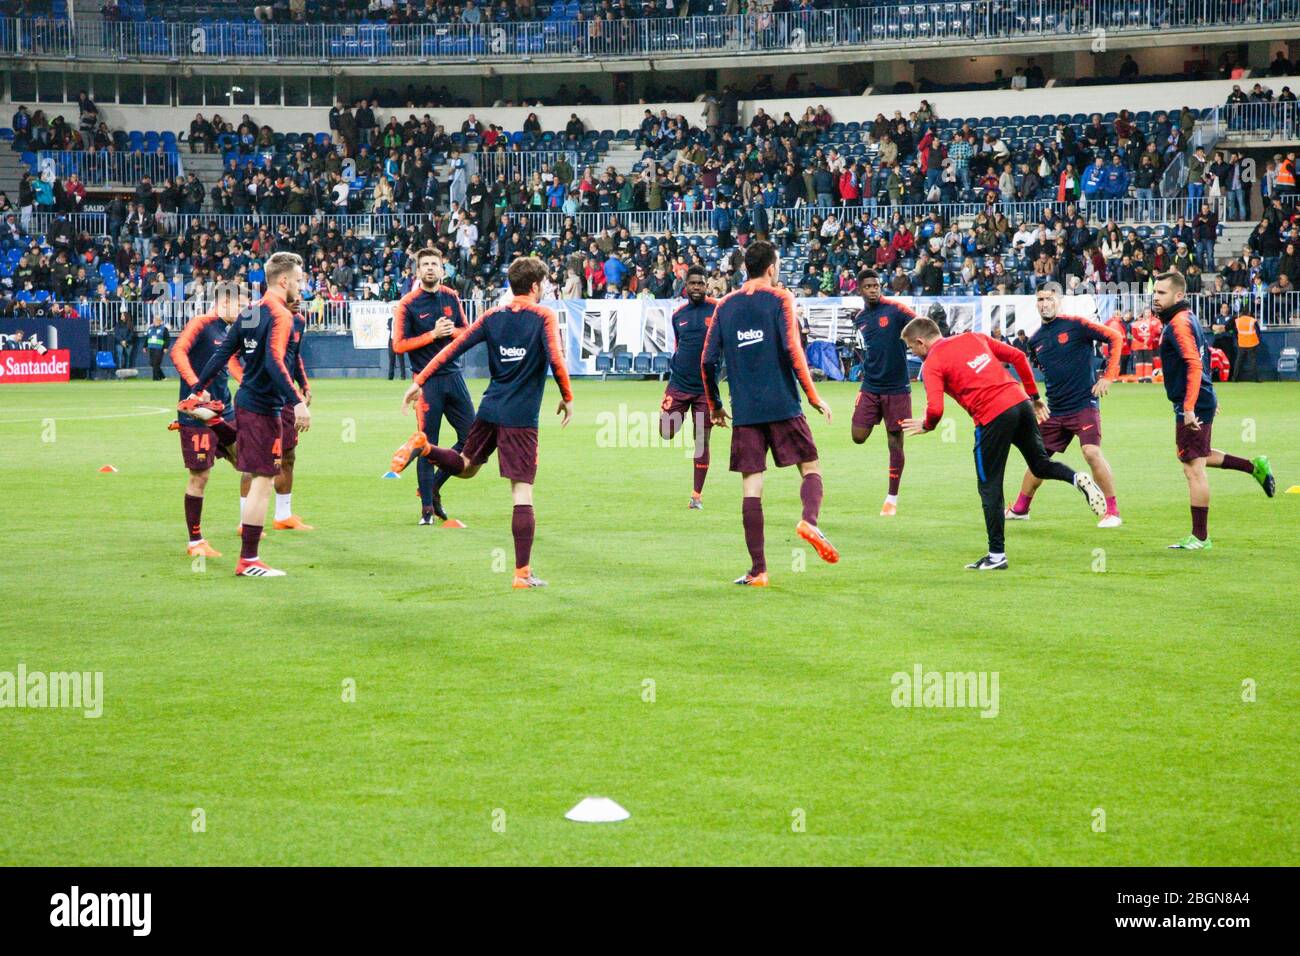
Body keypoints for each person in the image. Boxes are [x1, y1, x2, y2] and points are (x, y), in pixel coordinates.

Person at [392, 256, 574, 589]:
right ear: (535, 286)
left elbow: (450, 350)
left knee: (465, 466)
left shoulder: (491, 316)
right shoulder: (544, 316)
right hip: (520, 419)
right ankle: (522, 574)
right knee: (522, 492)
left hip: (489, 409)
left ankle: (425, 446)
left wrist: (419, 381)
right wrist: (567, 396)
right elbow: (557, 359)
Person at [900, 317, 1107, 571]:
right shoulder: (973, 337)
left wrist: (927, 425)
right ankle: (1076, 478)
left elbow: (935, 409)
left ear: (920, 341)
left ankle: (996, 555)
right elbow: (1018, 357)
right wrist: (1034, 396)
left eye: (912, 347)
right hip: (1020, 403)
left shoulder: (932, 362)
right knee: (1040, 464)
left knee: (990, 487)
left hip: (991, 416)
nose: (913, 353)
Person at [700, 240, 837, 587]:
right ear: (772, 268)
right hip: (783, 403)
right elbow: (793, 348)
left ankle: (758, 570)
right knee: (810, 468)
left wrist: (715, 405)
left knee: (752, 487)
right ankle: (809, 521)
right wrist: (813, 396)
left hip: (745, 410)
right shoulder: (780, 298)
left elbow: (707, 361)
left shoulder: (725, 305)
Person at [187, 252, 313, 577]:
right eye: (299, 280)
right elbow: (273, 360)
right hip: (264, 407)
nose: (301, 286)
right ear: (284, 280)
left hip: (245, 401)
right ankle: (249, 560)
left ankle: (216, 422)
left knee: (255, 470)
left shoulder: (252, 312)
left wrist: (197, 389)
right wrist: (297, 401)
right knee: (263, 480)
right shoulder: (281, 315)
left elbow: (222, 353)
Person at [1152, 271, 1275, 550]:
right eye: (1155, 292)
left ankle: (1200, 537)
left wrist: (1190, 407)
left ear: (1178, 295)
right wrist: (1207, 393)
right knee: (1195, 455)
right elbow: (1204, 355)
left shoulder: (1179, 324)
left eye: (1161, 293)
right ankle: (1254, 466)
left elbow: (1195, 364)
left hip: (1192, 401)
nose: (1156, 297)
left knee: (1192, 468)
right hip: (1198, 397)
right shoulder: (1186, 318)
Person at [1006, 286, 1125, 528]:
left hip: (1084, 404)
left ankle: (1112, 512)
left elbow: (1116, 337)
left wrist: (1109, 376)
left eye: (1049, 298)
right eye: (1040, 299)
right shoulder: (1035, 340)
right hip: (1054, 410)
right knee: (1038, 460)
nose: (1044, 303)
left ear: (1059, 301)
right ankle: (1020, 508)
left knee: (1091, 452)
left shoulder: (1077, 325)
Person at [391, 247, 476, 525]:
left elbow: (467, 331)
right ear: (417, 271)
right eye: (425, 264)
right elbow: (398, 345)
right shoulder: (408, 303)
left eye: (434, 264)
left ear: (442, 269)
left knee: (472, 440)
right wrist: (432, 334)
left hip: (454, 376)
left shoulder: (451, 296)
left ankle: (434, 486)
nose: (430, 268)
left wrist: (452, 332)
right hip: (426, 382)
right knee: (427, 442)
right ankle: (426, 510)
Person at [169, 286, 245, 559]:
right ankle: (195, 541)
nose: (243, 312)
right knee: (200, 476)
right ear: (225, 301)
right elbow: (177, 352)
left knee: (249, 463)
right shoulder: (201, 323)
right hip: (199, 414)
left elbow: (232, 363)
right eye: (240, 306)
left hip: (225, 412)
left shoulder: (229, 331)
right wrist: (196, 387)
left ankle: (247, 523)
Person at [236, 307, 313, 532]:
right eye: (295, 290)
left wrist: (304, 384)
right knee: (253, 462)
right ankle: (245, 521)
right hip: (259, 398)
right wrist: (246, 380)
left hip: (286, 398)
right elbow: (232, 354)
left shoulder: (298, 320)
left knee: (287, 455)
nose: (298, 297)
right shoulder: (256, 316)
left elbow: (294, 355)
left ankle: (283, 515)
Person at [850, 268, 915, 517]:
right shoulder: (860, 319)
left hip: (897, 387)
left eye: (876, 285)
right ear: (860, 290)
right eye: (868, 287)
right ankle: (876, 414)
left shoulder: (896, 310)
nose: (873, 290)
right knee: (858, 436)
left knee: (894, 441)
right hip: (871, 386)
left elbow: (920, 324)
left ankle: (891, 498)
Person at [659, 265, 716, 509]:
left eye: (700, 283)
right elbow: (678, 346)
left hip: (705, 389)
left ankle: (696, 495)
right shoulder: (678, 315)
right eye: (692, 283)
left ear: (706, 285)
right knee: (666, 432)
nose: (696, 287)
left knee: (701, 440)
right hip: (679, 384)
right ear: (686, 285)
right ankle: (677, 414)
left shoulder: (718, 310)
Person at [1130, 307, 1163, 382]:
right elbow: (1134, 333)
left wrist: (1155, 332)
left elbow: (1159, 331)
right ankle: (1142, 377)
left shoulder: (1156, 321)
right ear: (1143, 313)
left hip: (1155, 345)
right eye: (1146, 312)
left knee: (1156, 362)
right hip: (1145, 345)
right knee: (1142, 361)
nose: (1148, 314)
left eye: (1149, 312)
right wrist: (1145, 341)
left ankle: (1158, 377)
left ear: (1151, 313)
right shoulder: (1139, 321)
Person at [1232, 309, 1261, 381]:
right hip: (1252, 343)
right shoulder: (1252, 320)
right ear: (1249, 313)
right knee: (1253, 362)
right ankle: (1256, 379)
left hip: (1241, 343)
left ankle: (1234, 378)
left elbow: (1235, 332)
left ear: (1241, 313)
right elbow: (1258, 331)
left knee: (1238, 361)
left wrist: (1238, 339)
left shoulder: (1237, 321)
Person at [145, 315, 170, 381]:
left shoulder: (164, 329)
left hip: (159, 348)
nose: (154, 321)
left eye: (156, 320)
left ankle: (155, 378)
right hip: (151, 348)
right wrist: (145, 346)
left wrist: (166, 347)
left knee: (156, 363)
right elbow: (147, 338)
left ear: (160, 321)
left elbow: (167, 339)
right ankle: (162, 377)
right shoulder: (150, 328)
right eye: (154, 320)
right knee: (152, 363)